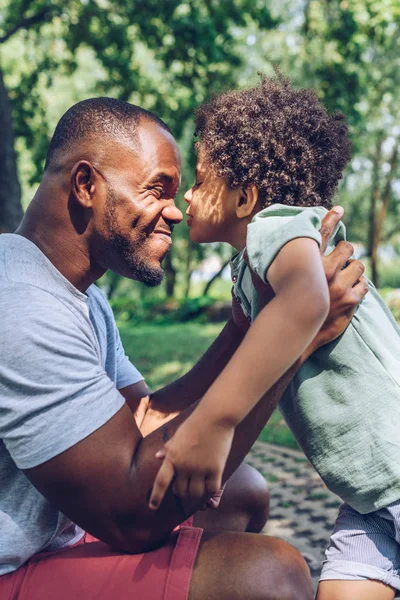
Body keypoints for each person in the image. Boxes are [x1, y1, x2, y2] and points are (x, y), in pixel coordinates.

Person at [0, 97, 365, 600]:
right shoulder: (20, 303)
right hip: (13, 566)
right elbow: (131, 517)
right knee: (272, 577)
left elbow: (142, 420)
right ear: (86, 185)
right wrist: (302, 341)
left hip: (58, 532)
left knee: (241, 495)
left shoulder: (82, 298)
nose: (175, 210)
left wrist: (247, 321)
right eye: (158, 189)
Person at [149, 76, 400, 600]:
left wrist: (216, 423)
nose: (186, 198)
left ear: (247, 198)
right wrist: (153, 412)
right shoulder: (249, 273)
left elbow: (308, 300)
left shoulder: (279, 229)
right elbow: (216, 368)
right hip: (369, 499)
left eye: (198, 181)